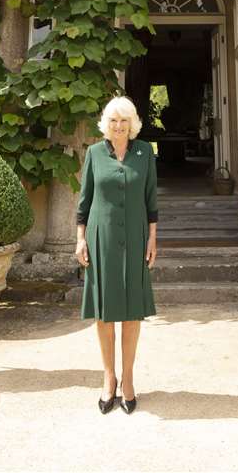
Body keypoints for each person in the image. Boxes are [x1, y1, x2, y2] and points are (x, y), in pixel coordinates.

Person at [75, 95, 158, 414]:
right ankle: (108, 378)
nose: (119, 126)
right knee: (105, 310)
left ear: (133, 123)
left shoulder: (145, 153)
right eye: (113, 121)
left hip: (136, 237)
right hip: (101, 237)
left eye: (124, 120)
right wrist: (80, 239)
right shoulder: (95, 153)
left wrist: (153, 238)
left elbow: (152, 199)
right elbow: (84, 202)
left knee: (132, 310)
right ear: (106, 125)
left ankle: (129, 379)